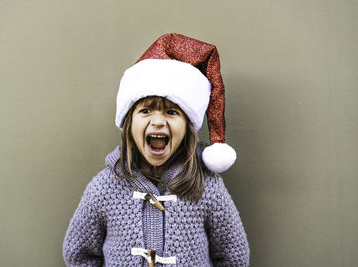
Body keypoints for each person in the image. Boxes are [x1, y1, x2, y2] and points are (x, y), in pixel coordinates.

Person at [63, 33, 250, 267]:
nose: (158, 122)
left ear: (188, 127)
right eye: (146, 111)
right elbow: (79, 254)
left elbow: (233, 256)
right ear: (129, 124)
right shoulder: (104, 188)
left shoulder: (206, 187)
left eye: (172, 112)